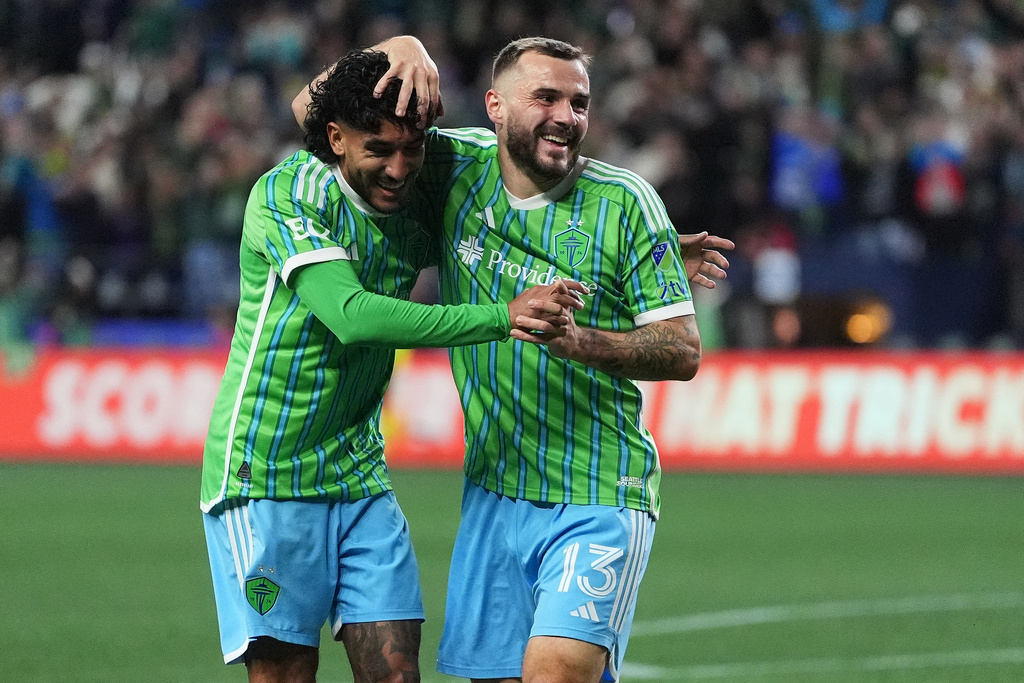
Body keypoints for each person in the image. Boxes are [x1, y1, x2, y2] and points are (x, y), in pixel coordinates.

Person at [293, 36, 733, 683]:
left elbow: (683, 349)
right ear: (495, 105)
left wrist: (586, 341)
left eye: (579, 102)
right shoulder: (451, 165)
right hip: (495, 493)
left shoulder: (626, 202)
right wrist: (401, 46)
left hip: (599, 492)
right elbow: (313, 111)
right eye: (546, 97)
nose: (565, 115)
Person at [200, 48, 588, 683]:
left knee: (396, 672)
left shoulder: (422, 179)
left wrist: (636, 247)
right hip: (265, 472)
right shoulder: (286, 195)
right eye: (378, 149)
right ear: (336, 140)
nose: (400, 168)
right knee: (286, 676)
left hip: (357, 472)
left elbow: (524, 175)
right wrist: (500, 316)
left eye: (412, 147)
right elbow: (351, 315)